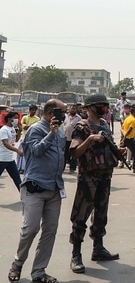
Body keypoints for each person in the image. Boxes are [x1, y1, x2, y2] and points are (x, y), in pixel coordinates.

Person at [8, 99, 66, 283]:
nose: (64, 115)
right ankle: (17, 264)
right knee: (30, 228)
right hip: (35, 187)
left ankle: (39, 272)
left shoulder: (60, 131)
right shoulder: (36, 129)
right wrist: (51, 134)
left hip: (54, 188)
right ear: (50, 113)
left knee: (50, 230)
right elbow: (35, 151)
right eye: (61, 112)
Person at [68, 94, 121, 274]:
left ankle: (98, 248)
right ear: (90, 108)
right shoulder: (82, 127)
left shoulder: (105, 125)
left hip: (105, 176)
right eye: (101, 106)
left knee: (101, 214)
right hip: (88, 178)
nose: (104, 109)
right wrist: (90, 140)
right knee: (80, 216)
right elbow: (75, 153)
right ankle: (76, 254)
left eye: (105, 106)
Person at [0, 111, 23, 191]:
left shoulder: (12, 128)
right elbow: (6, 143)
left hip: (10, 159)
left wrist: (20, 130)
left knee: (17, 178)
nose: (17, 120)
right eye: (15, 118)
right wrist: (17, 151)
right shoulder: (4, 130)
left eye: (17, 118)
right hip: (2, 159)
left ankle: (24, 196)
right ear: (9, 119)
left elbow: (16, 140)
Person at [18, 104, 40, 173]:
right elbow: (22, 126)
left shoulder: (37, 119)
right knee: (21, 153)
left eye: (34, 110)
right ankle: (19, 167)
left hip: (32, 139)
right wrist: (30, 126)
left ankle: (26, 168)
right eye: (32, 110)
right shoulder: (25, 117)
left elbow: (36, 128)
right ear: (29, 110)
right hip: (24, 137)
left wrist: (28, 126)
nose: (33, 111)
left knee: (29, 154)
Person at [121, 104, 135, 173]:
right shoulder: (133, 120)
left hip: (126, 138)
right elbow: (129, 130)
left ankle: (121, 162)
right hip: (129, 139)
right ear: (134, 112)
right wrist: (124, 137)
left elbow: (122, 128)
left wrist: (123, 136)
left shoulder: (127, 119)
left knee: (122, 151)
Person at [64, 104, 82, 174]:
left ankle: (72, 168)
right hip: (65, 137)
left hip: (74, 138)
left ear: (76, 110)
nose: (73, 110)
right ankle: (62, 168)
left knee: (73, 154)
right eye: (72, 109)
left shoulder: (78, 118)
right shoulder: (65, 116)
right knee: (65, 154)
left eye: (74, 109)